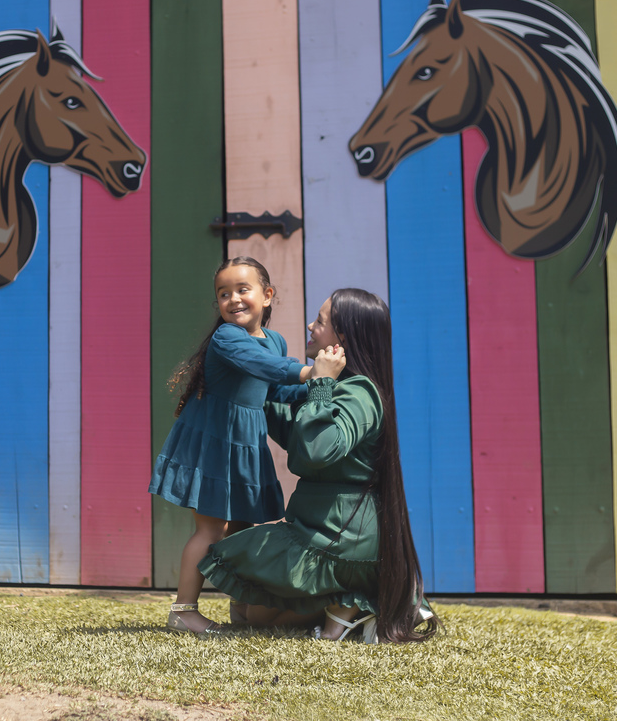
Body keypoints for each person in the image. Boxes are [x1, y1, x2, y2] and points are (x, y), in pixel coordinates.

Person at [198, 288, 438, 644]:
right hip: (314, 524)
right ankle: (356, 604)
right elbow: (296, 429)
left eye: (321, 321)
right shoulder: (339, 387)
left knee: (259, 616)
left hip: (342, 536)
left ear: (343, 338)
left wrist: (321, 382)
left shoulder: (360, 392)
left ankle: (363, 601)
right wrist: (245, 394)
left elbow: (316, 449)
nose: (311, 325)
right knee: (247, 612)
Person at [148, 257, 311, 634]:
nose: (233, 299)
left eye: (243, 290)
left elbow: (277, 389)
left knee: (242, 528)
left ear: (267, 295)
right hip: (214, 444)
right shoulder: (227, 338)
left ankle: (243, 607)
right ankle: (183, 611)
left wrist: (319, 386)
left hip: (246, 444)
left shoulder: (276, 341)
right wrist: (307, 370)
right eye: (224, 294)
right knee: (210, 530)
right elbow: (263, 366)